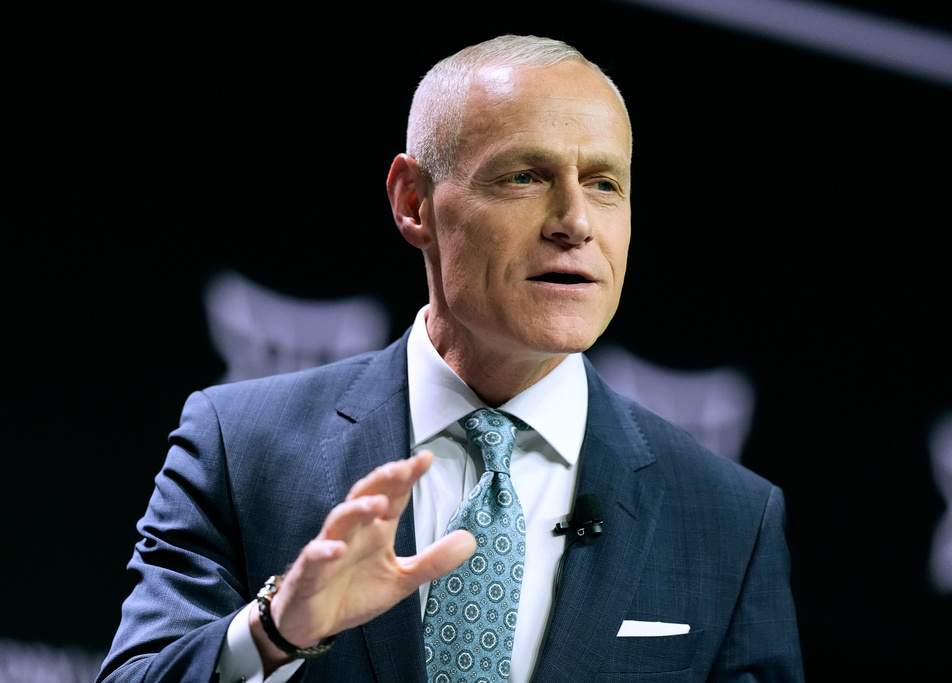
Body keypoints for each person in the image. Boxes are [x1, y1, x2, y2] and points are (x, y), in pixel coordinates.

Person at [98, 35, 804, 682]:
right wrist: (276, 631)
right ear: (415, 203)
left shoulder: (730, 521)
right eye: (526, 176)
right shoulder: (240, 443)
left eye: (604, 183)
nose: (575, 221)